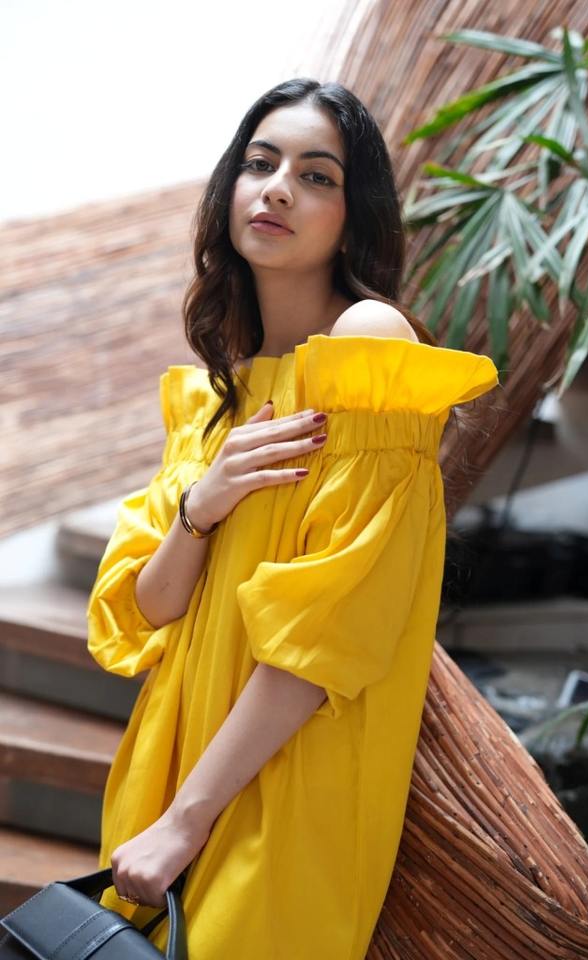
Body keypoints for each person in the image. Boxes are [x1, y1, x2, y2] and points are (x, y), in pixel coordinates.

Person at [86, 77, 499, 959]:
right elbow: (144, 608)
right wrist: (200, 509)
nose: (276, 188)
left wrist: (187, 822)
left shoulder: (369, 346)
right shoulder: (216, 389)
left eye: (316, 176)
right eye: (260, 163)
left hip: (281, 775)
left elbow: (327, 633)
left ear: (353, 220)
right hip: (170, 760)